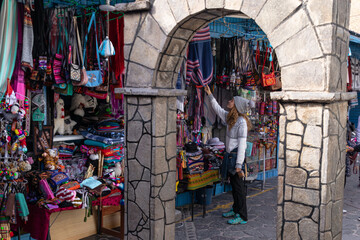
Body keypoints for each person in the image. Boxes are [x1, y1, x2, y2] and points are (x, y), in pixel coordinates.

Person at [204, 85, 252, 225]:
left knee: (239, 188)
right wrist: (210, 95)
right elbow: (218, 110)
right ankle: (236, 209)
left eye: (232, 100)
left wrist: (239, 165)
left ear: (236, 105)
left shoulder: (241, 122)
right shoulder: (231, 118)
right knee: (235, 188)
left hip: (236, 157)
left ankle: (242, 216)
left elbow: (242, 145)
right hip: (230, 155)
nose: (229, 101)